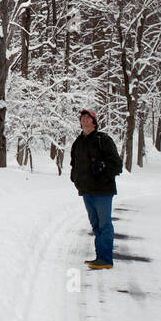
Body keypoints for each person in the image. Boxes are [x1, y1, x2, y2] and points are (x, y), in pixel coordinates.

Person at [69, 109, 123, 270]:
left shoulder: (103, 140)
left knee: (104, 224)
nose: (84, 120)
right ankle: (100, 257)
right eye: (82, 117)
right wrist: (75, 179)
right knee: (95, 225)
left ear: (94, 121)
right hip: (86, 191)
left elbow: (117, 165)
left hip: (103, 191)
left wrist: (102, 170)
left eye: (88, 117)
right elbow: (74, 164)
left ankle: (105, 259)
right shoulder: (78, 142)